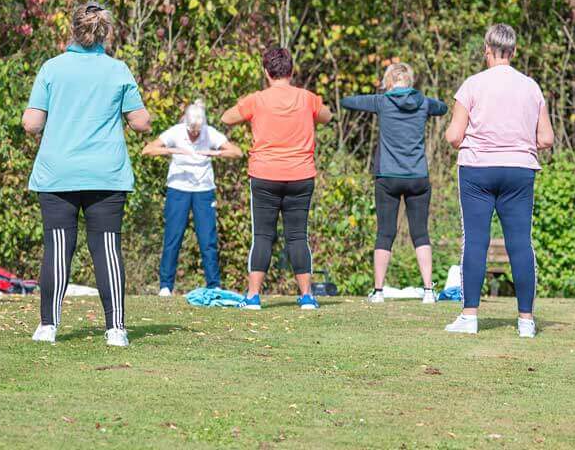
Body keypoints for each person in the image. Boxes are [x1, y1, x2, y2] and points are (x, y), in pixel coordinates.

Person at [22, 2, 152, 347]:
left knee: (58, 248)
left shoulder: (51, 68)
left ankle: (48, 326)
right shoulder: (118, 70)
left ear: (72, 31)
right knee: (107, 247)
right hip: (105, 174)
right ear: (104, 34)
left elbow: (31, 124)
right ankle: (116, 330)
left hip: (57, 172)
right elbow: (141, 124)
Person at [443, 24, 553, 338]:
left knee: (475, 241)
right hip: (519, 170)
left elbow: (453, 135)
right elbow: (546, 137)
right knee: (520, 243)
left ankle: (469, 316)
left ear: (486, 50)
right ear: (514, 51)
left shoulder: (473, 84)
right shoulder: (531, 86)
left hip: (477, 169)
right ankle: (526, 321)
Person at [220, 46, 332, 310]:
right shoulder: (307, 98)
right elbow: (327, 116)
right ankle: (306, 296)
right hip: (301, 175)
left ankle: (253, 296)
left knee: (262, 236)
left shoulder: (257, 99)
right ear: (291, 71)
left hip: (264, 174)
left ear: (266, 72)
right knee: (297, 236)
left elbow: (227, 118)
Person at [341, 63, 447, 304]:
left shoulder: (382, 102)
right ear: (409, 82)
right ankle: (429, 290)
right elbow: (443, 108)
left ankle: (378, 292)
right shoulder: (423, 102)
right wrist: (429, 103)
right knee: (420, 233)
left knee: (385, 232)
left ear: (388, 82)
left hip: (388, 177)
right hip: (417, 176)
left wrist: (379, 95)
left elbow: (348, 101)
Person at [141, 98, 243, 296]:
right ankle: (165, 286)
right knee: (173, 237)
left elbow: (237, 152)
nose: (195, 134)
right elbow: (148, 150)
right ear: (186, 125)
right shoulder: (176, 132)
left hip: (204, 190)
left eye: (197, 131)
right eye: (192, 131)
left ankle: (214, 285)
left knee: (208, 239)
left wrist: (213, 153)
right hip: (178, 189)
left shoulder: (209, 133)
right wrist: (172, 150)